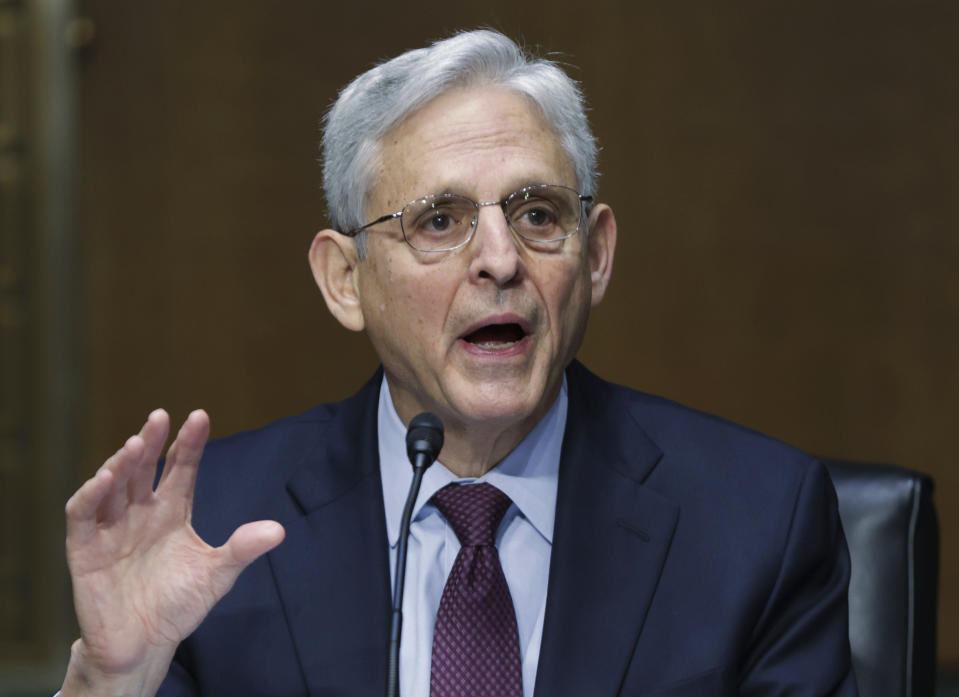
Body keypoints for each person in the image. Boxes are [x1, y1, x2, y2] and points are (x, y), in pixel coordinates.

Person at [60, 30, 857, 697]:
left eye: (537, 213)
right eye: (438, 221)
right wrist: (109, 682)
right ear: (345, 280)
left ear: (597, 256)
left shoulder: (756, 524)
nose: (499, 260)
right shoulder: (213, 528)